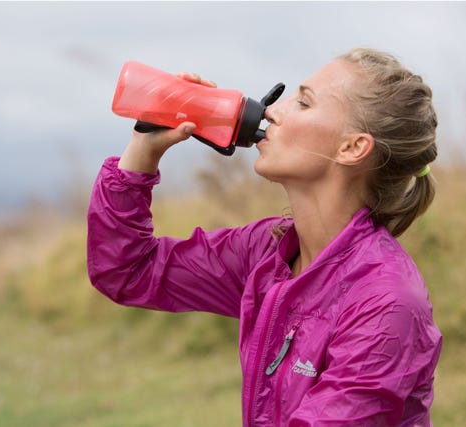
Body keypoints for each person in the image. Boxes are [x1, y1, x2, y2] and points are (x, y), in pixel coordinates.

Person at [87, 48, 443, 426]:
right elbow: (128, 271)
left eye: (303, 103)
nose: (273, 109)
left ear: (352, 148)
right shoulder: (267, 252)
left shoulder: (386, 303)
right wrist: (143, 148)